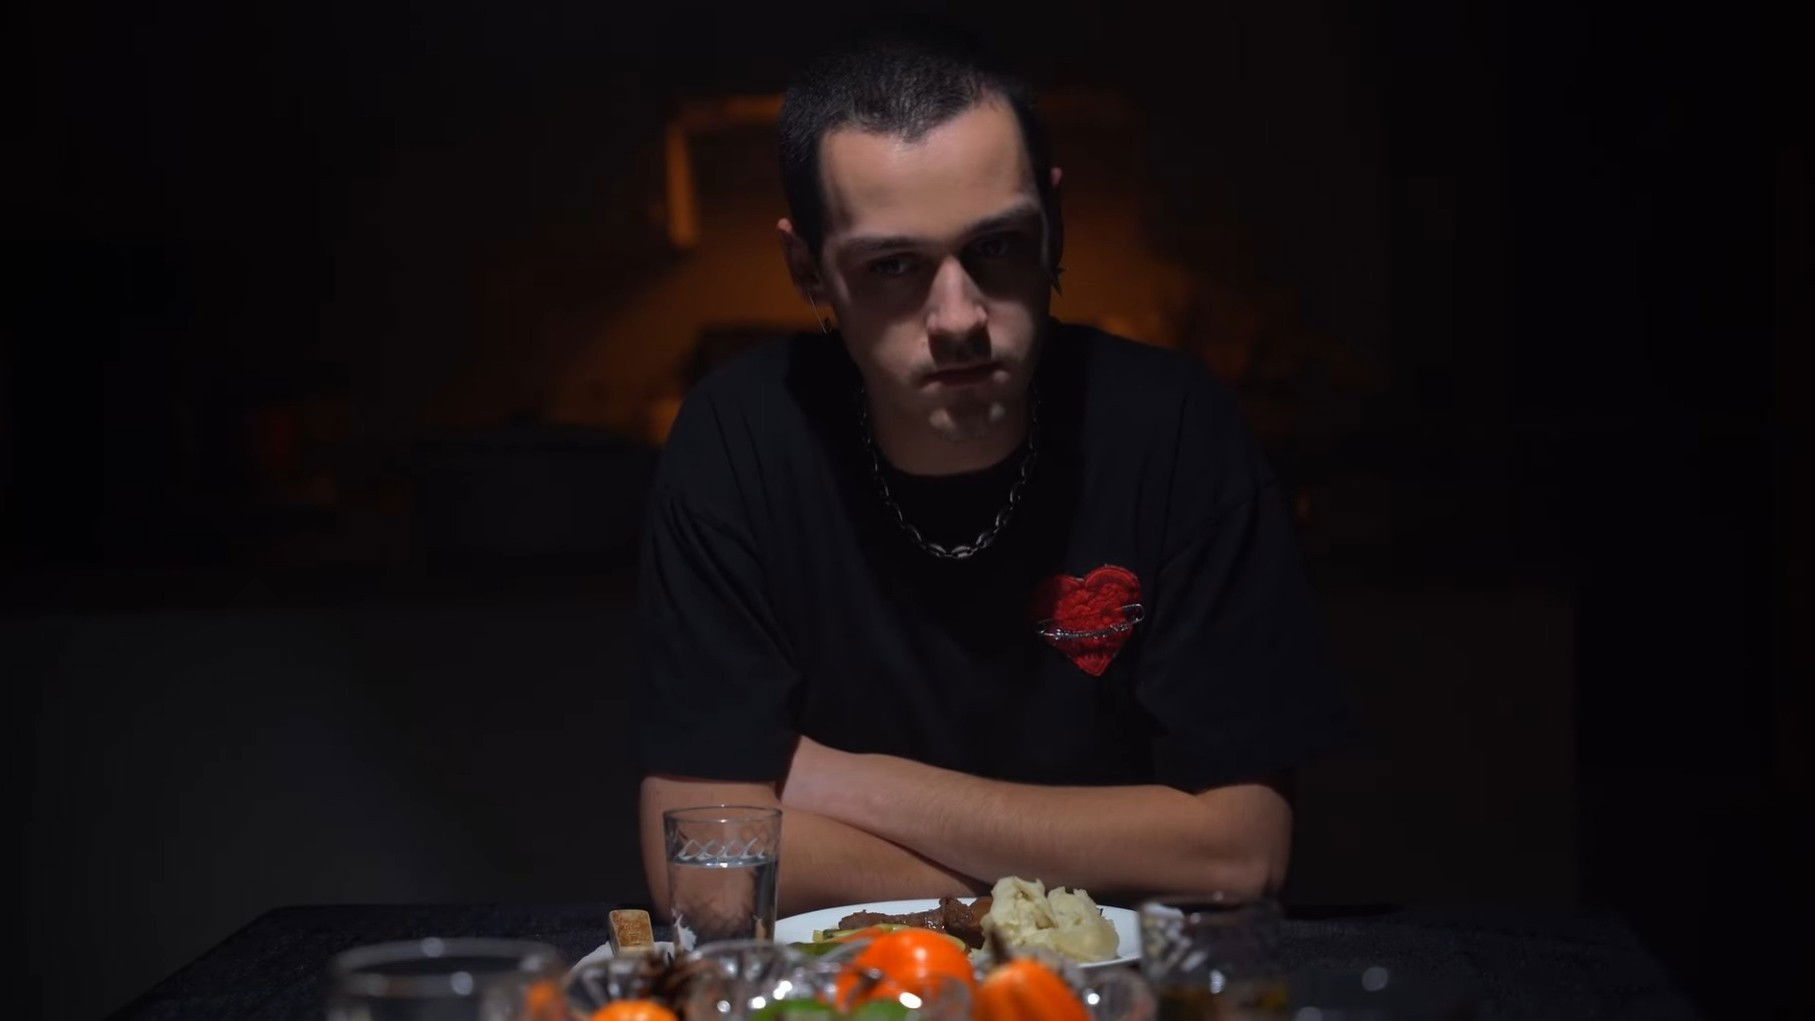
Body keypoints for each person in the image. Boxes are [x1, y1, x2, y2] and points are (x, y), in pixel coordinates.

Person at [635, 24, 1350, 918]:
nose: (958, 317)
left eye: (998, 246)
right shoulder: (738, 436)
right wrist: (1092, 863)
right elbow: (707, 874)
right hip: (850, 982)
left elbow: (1240, 852)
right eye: (893, 265)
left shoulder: (1170, 424)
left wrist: (844, 782)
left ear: (1055, 225)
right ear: (806, 270)